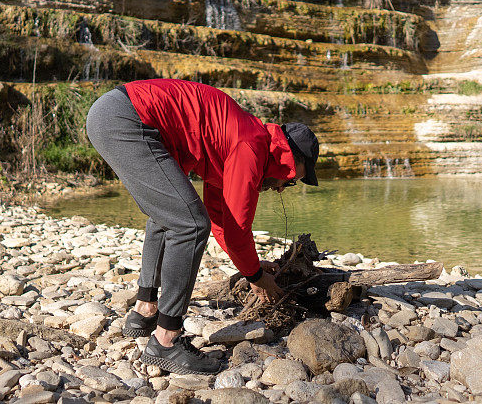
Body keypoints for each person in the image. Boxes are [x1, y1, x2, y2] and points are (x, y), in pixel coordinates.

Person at [85, 79, 319, 375]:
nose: (286, 188)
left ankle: (144, 311)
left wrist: (253, 266)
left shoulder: (239, 138)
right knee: (190, 225)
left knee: (171, 215)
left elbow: (223, 218)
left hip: (114, 113)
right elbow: (235, 229)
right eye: (294, 180)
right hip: (127, 119)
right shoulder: (252, 145)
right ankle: (166, 341)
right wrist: (256, 277)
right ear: (292, 159)